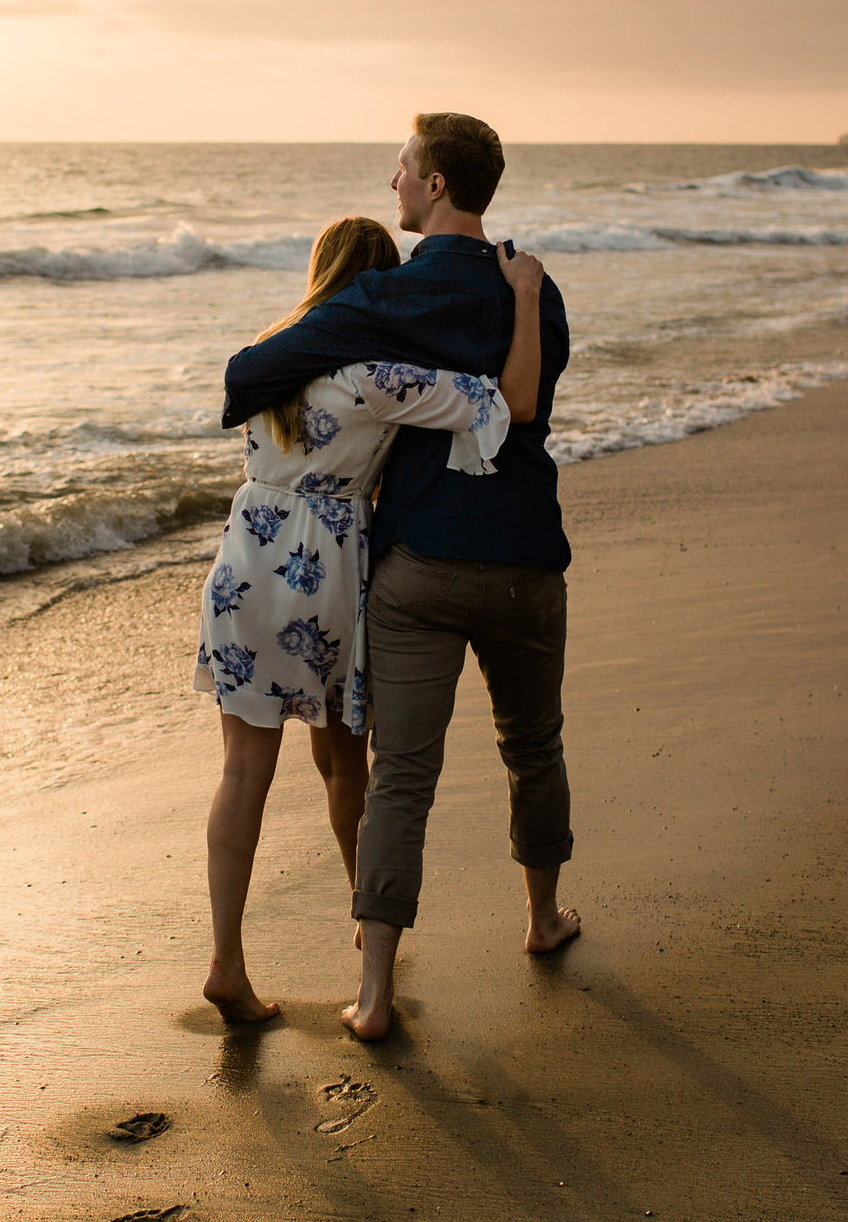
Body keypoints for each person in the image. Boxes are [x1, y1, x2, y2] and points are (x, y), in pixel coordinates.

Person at [221, 113, 577, 1041]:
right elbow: (524, 406)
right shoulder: (535, 291)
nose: (395, 182)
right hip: (527, 553)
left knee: (402, 777)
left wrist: (264, 381)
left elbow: (257, 368)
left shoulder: (382, 297)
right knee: (532, 744)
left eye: (406, 168)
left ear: (439, 184)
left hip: (409, 562)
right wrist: (525, 296)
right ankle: (541, 918)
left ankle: (374, 993)